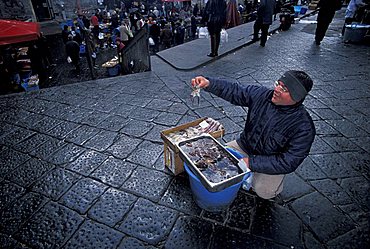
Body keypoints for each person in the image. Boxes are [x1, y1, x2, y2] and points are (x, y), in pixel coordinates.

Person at [191, 70, 316, 199]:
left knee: (264, 191)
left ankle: (267, 179)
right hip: (245, 146)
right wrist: (209, 83)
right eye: (278, 83)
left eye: (284, 89)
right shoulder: (262, 95)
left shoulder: (304, 127)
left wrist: (252, 163)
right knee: (214, 159)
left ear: (296, 97)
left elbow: (289, 161)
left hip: (271, 159)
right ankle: (247, 173)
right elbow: (235, 91)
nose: (277, 89)